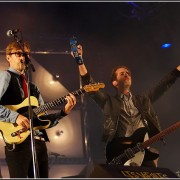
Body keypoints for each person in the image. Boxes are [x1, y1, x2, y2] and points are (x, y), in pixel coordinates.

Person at [71, 44, 180, 168]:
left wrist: (177, 70)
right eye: (122, 73)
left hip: (143, 150)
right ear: (115, 82)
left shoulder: (143, 100)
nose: (127, 74)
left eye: (128, 73)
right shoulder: (109, 101)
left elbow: (163, 85)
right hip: (120, 151)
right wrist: (80, 62)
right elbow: (90, 87)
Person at [0, 40, 77, 178]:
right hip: (18, 143)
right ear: (8, 57)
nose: (23, 57)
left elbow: (42, 119)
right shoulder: (5, 76)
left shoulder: (33, 87)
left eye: (26, 54)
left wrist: (63, 112)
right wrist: (15, 116)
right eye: (18, 53)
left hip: (39, 143)